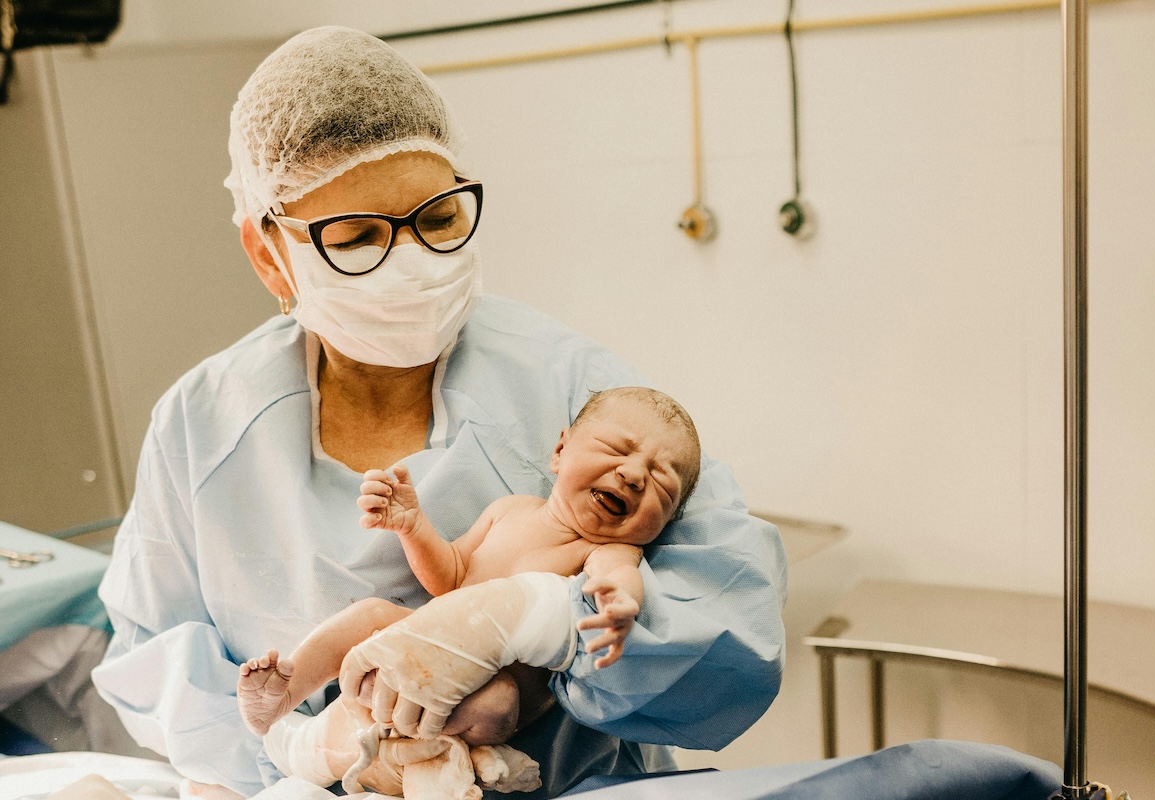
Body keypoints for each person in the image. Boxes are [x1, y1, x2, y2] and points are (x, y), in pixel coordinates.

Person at [91, 25, 787, 800]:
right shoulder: (203, 425)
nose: (413, 263)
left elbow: (736, 633)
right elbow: (152, 663)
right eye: (356, 238)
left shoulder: (575, 389)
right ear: (268, 255)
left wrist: (542, 618)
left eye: (440, 219)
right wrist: (301, 747)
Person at [237, 386, 702, 738]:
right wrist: (414, 527)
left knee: (498, 704)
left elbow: (617, 577)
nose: (635, 474)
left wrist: (620, 605)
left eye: (663, 482)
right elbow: (451, 577)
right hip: (417, 648)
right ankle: (286, 692)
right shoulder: (511, 510)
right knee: (372, 614)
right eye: (618, 449)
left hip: (491, 689)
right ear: (560, 451)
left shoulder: (603, 549)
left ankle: (417, 752)